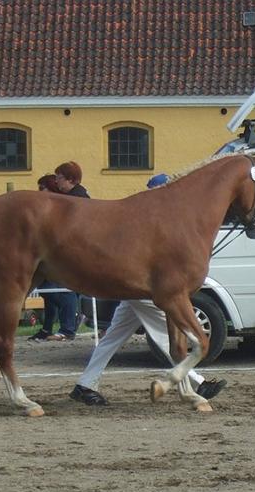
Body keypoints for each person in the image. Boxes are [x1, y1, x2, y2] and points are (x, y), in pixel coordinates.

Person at [68, 173, 227, 407]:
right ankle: (196, 382)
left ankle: (85, 385)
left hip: (134, 292)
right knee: (167, 332)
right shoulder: (152, 218)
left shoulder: (161, 218)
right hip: (139, 289)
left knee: (113, 336)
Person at [30, 168, 85, 341]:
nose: (39, 193)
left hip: (62, 254)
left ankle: (69, 325)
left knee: (59, 290)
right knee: (48, 293)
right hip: (52, 253)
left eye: (42, 188)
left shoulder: (72, 199)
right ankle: (48, 327)